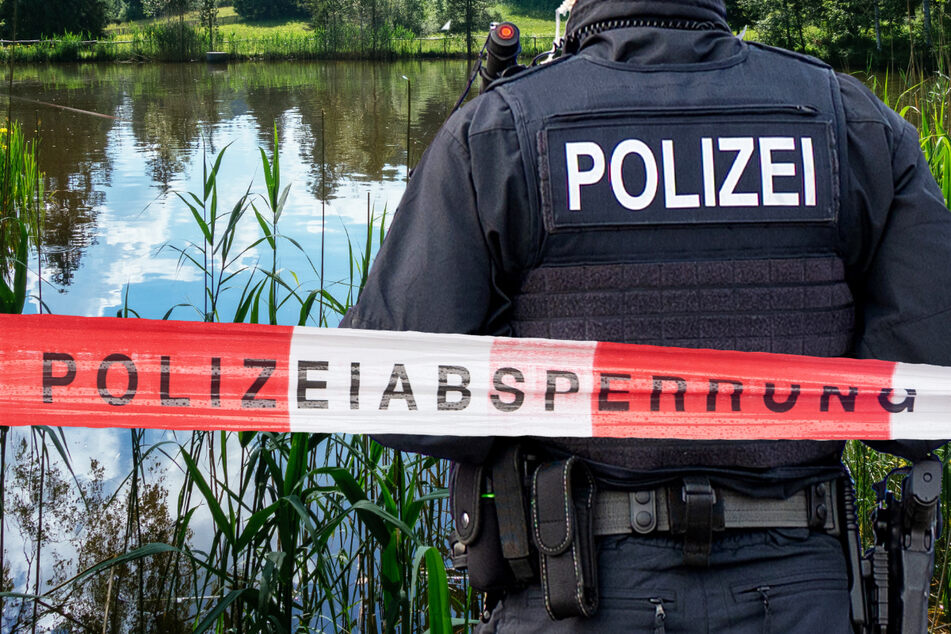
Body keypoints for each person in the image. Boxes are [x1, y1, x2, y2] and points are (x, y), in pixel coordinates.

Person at [341, 0, 951, 631]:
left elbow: (391, 388)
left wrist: (517, 356)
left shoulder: (501, 128)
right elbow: (924, 390)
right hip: (802, 589)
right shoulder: (848, 120)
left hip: (578, 589)